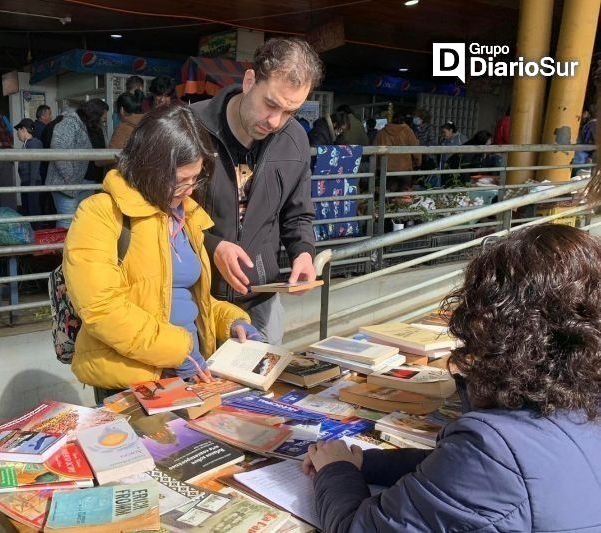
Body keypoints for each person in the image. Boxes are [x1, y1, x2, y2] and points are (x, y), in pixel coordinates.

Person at [303, 224, 601, 532]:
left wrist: (335, 470)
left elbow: (360, 529)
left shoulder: (493, 450)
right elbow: (453, 472)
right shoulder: (580, 406)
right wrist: (367, 464)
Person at [62, 105, 261, 402]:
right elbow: (102, 309)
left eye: (195, 179)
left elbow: (191, 300)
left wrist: (231, 321)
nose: (189, 190)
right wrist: (178, 351)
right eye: (180, 180)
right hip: (133, 384)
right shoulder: (101, 213)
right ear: (149, 167)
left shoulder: (187, 216)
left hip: (191, 374)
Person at [190, 37, 322, 345]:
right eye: (271, 104)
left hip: (261, 296)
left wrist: (303, 252)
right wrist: (211, 246)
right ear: (250, 81)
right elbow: (162, 214)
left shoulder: (294, 139)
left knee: (263, 391)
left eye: (291, 111)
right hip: (196, 297)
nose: (275, 121)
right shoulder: (190, 127)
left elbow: (298, 212)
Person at [46, 99, 109, 228]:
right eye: (103, 118)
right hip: (67, 185)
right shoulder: (69, 123)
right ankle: (62, 248)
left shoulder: (94, 127)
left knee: (81, 222)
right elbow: (58, 149)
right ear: (94, 115)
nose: (104, 122)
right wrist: (71, 178)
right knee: (67, 222)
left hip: (86, 183)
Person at [15, 117, 45, 221]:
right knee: (27, 210)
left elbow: (35, 164)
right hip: (27, 182)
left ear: (23, 129)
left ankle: (36, 232)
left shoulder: (34, 143)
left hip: (32, 182)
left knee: (33, 210)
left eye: (18, 131)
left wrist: (32, 185)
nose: (17, 134)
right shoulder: (27, 144)